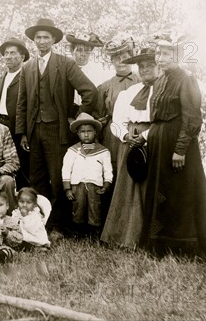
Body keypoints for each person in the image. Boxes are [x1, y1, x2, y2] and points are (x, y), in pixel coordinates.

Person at [141, 34, 206, 263]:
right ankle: (161, 244)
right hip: (159, 142)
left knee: (180, 193)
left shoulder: (186, 79)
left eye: (166, 54)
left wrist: (180, 149)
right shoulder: (159, 80)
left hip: (177, 143)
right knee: (161, 192)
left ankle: (184, 246)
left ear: (177, 56)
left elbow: (191, 117)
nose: (160, 58)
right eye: (158, 53)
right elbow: (155, 117)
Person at [16, 18, 98, 238]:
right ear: (34, 40)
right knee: (37, 179)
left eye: (46, 37)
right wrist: (23, 132)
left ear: (53, 40)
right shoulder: (28, 67)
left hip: (57, 131)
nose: (42, 41)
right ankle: (37, 223)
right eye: (38, 38)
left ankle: (59, 225)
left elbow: (89, 91)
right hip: (34, 132)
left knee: (59, 179)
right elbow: (22, 102)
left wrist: (78, 119)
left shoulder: (65, 64)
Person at [101, 47, 159, 249]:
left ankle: (149, 239)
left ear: (159, 66)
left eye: (150, 65)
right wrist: (125, 135)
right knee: (127, 188)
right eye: (141, 66)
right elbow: (116, 122)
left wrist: (145, 136)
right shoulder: (130, 93)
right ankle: (124, 237)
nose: (144, 70)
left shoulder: (164, 91)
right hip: (129, 144)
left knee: (150, 187)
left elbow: (164, 123)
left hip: (153, 142)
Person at [96, 35, 141, 227]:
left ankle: (135, 221)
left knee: (136, 172)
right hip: (112, 136)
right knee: (112, 174)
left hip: (137, 134)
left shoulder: (143, 81)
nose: (119, 61)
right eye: (115, 57)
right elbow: (98, 114)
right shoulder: (105, 86)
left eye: (124, 56)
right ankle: (111, 222)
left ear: (131, 57)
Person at [62, 113, 113, 237]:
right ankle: (77, 233)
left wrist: (106, 184)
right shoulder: (72, 151)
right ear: (77, 133)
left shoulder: (103, 151)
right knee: (78, 207)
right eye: (82, 131)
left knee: (94, 208)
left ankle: (93, 234)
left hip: (94, 186)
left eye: (89, 131)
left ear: (95, 132)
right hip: (77, 185)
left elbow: (108, 170)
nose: (86, 134)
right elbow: (66, 169)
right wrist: (68, 188)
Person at [0, 37, 30, 189]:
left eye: (13, 53)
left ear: (22, 56)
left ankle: (23, 205)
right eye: (6, 53)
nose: (8, 56)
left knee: (22, 168)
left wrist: (23, 133)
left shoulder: (27, 77)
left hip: (17, 128)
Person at [66, 31, 111, 113]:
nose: (83, 54)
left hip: (91, 113)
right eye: (79, 50)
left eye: (87, 51)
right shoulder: (65, 69)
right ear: (72, 50)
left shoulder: (99, 71)